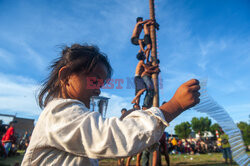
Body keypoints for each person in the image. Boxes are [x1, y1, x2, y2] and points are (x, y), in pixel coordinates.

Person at [21, 43, 200, 166]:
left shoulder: (70, 114)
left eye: (101, 84)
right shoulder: (58, 112)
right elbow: (110, 137)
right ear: (66, 76)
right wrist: (174, 105)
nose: (98, 90)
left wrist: (126, 121)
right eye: (95, 81)